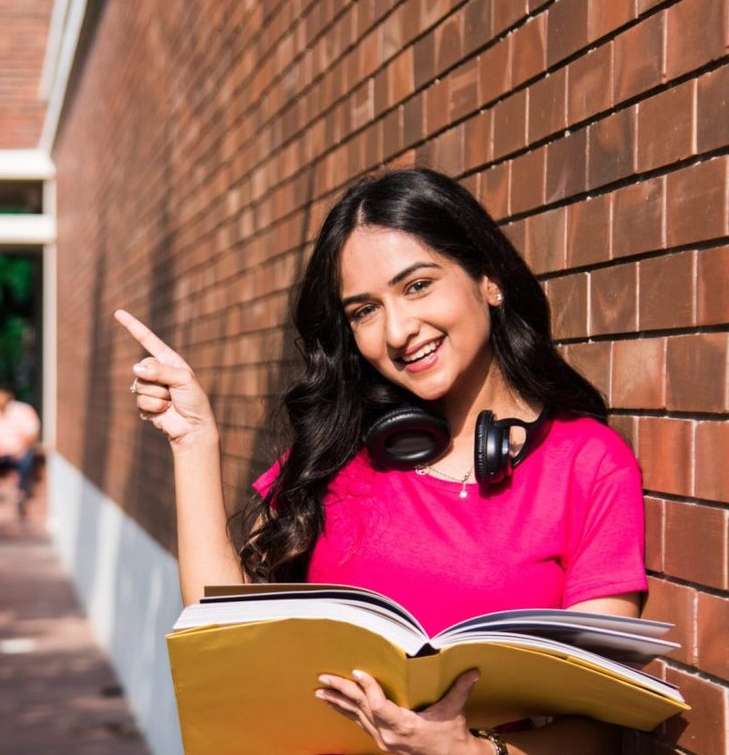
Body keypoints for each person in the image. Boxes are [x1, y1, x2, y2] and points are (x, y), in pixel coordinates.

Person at [116, 169, 645, 754]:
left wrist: (467, 751)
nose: (397, 331)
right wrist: (193, 442)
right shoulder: (339, 453)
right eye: (364, 311)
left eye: (417, 286)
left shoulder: (588, 462)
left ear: (489, 279)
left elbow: (602, 725)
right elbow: (225, 628)